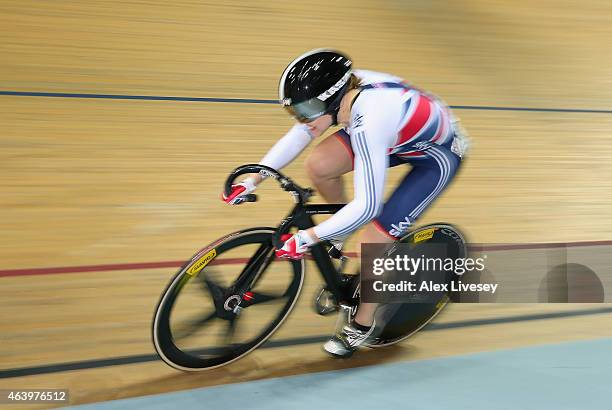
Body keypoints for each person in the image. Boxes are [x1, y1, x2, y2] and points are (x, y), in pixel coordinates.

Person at [222, 48, 468, 357]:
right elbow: (300, 135)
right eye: (296, 110)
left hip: (435, 155)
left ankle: (362, 324)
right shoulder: (339, 93)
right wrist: (254, 179)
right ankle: (339, 232)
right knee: (320, 166)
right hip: (398, 133)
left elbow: (368, 206)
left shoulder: (370, 117)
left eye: (307, 110)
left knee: (373, 239)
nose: (302, 119)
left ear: (333, 98)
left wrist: (308, 237)